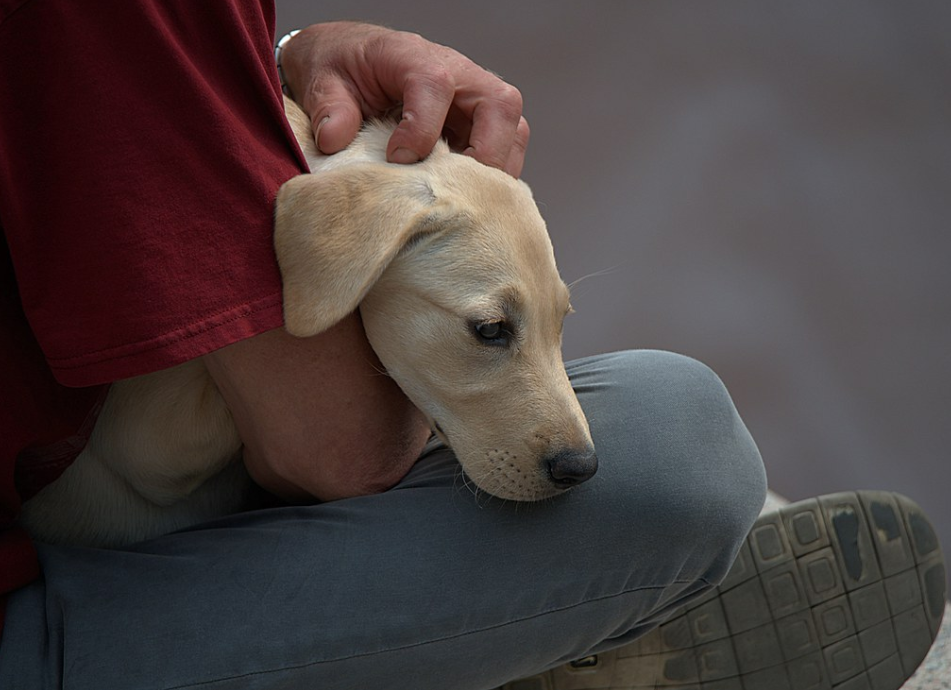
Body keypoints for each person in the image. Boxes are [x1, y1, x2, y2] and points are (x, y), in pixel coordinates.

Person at [0, 3, 942, 689]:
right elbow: (338, 451)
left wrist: (287, 57)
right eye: (491, 330)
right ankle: (519, 651)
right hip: (46, 611)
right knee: (675, 452)